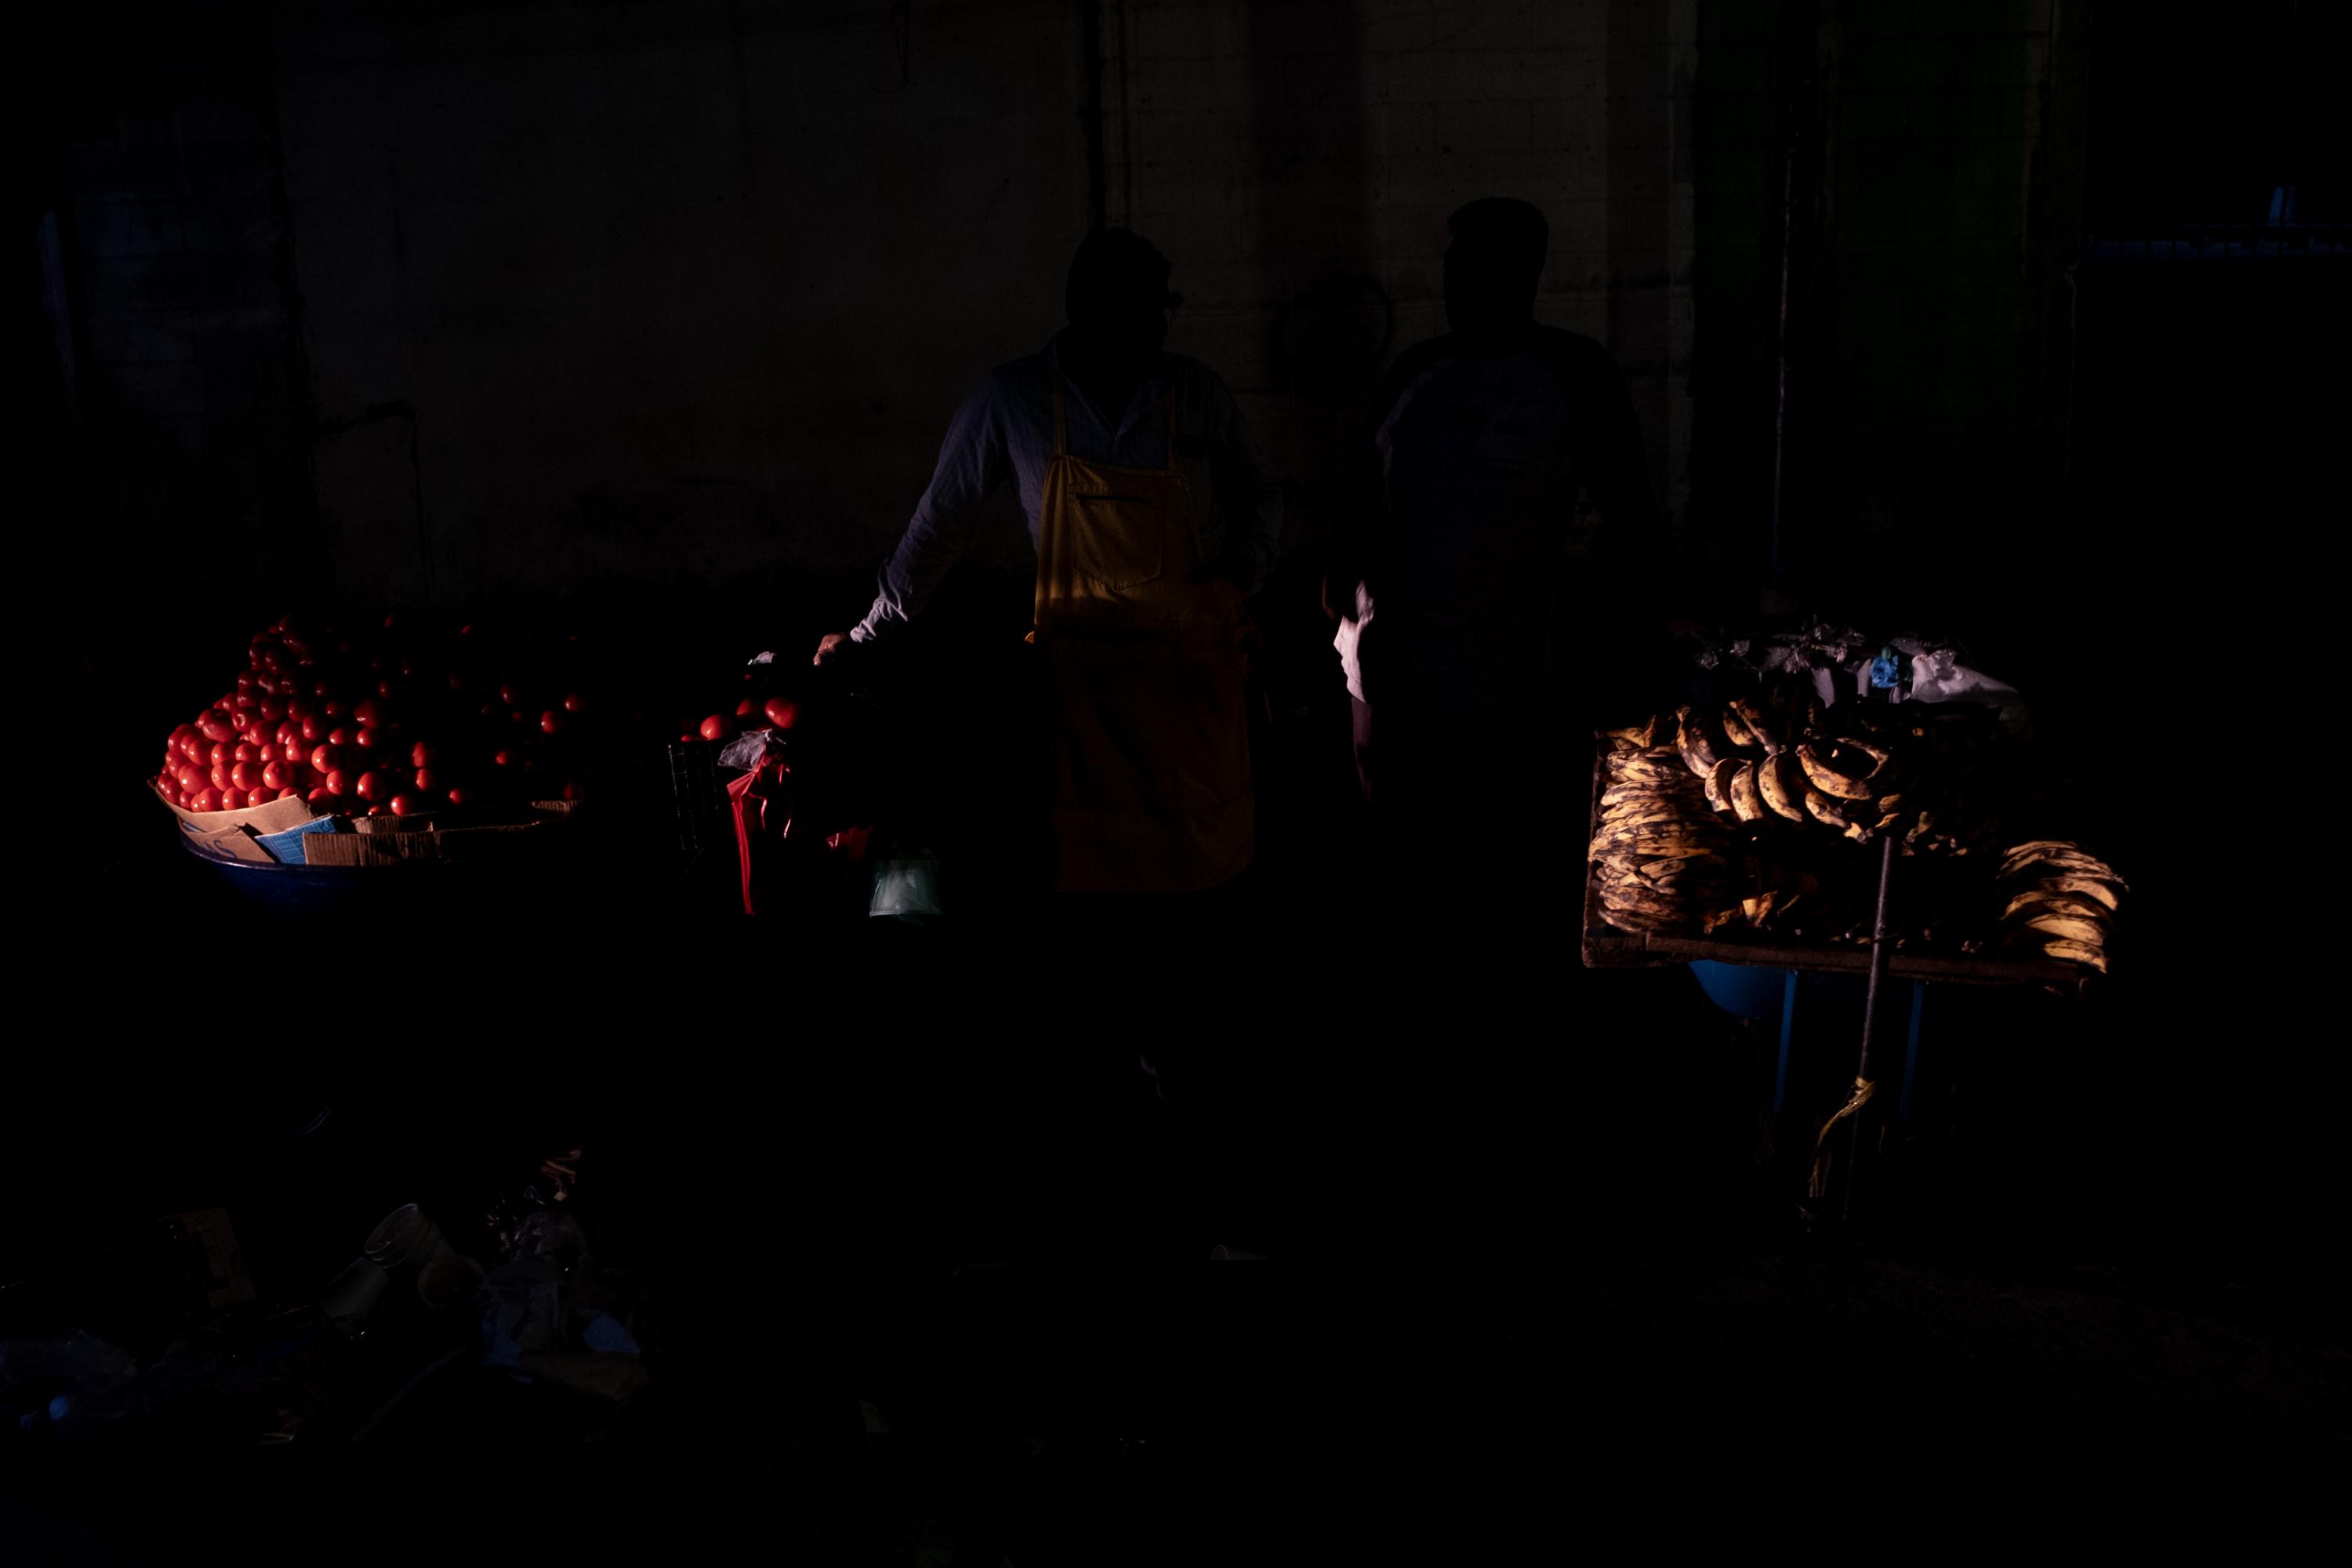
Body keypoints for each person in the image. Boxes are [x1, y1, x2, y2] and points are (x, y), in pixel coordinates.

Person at [1324, 197, 1682, 926]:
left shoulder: (1571, 373)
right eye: (1452, 268)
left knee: (1498, 886)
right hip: (1401, 686)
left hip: (1509, 694)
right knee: (1406, 881)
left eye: (1471, 268)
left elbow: (1632, 522)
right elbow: (1357, 506)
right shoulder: (1419, 374)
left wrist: (1625, 654)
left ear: (1521, 276)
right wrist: (1354, 628)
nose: (1453, 284)